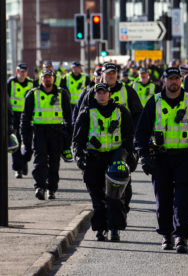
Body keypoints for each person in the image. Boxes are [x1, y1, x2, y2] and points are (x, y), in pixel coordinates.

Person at [135, 67, 188, 253]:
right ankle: (166, 235)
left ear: (181, 81)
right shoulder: (154, 102)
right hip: (160, 159)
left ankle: (181, 236)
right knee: (162, 200)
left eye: (176, 79)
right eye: (170, 79)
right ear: (164, 81)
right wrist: (144, 157)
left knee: (183, 199)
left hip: (184, 158)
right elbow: (140, 134)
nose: (173, 82)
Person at [72, 83, 135, 241]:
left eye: (104, 92)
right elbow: (77, 140)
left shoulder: (121, 111)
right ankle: (101, 229)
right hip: (93, 158)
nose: (101, 95)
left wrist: (131, 157)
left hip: (115, 158)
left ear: (109, 94)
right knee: (98, 198)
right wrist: (78, 157)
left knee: (115, 196)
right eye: (98, 92)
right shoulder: (86, 113)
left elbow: (129, 137)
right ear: (95, 95)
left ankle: (114, 229)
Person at [20, 69, 72, 200]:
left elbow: (68, 117)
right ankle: (40, 187)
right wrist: (25, 139)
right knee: (40, 161)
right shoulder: (32, 94)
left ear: (53, 79)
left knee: (54, 163)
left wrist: (68, 139)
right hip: (39, 132)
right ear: (41, 79)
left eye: (50, 77)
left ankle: (52, 189)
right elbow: (25, 117)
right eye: (45, 77)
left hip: (57, 132)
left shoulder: (62, 94)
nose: (47, 79)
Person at [8, 63, 34, 178]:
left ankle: (24, 162)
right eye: (20, 71)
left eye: (24, 72)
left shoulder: (32, 84)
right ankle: (17, 169)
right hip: (14, 116)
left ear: (26, 73)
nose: (22, 74)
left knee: (29, 145)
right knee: (16, 143)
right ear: (17, 72)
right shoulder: (10, 83)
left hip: (28, 117)